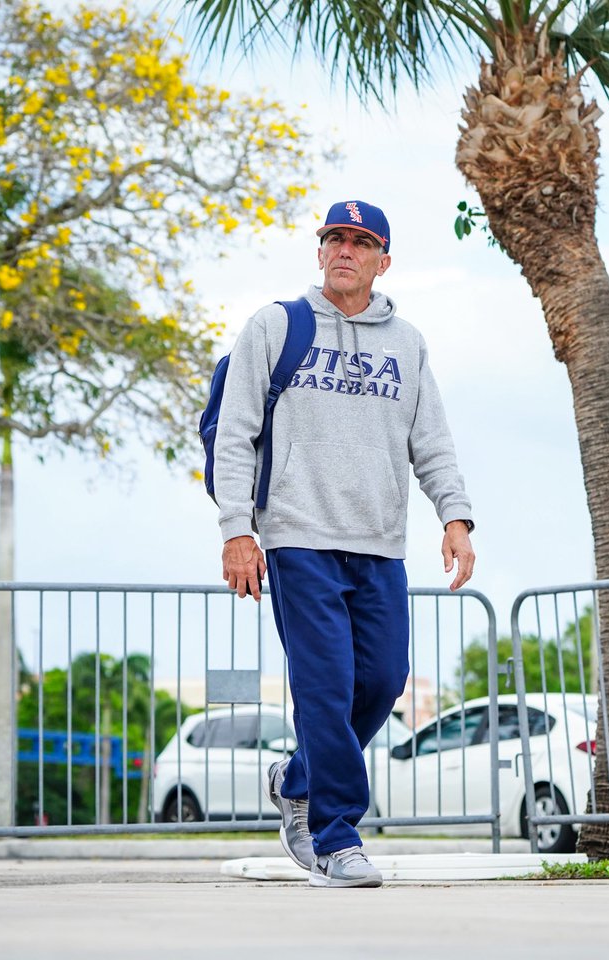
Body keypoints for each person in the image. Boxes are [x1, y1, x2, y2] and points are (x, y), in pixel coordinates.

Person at [214, 200, 475, 888]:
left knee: (384, 680)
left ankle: (297, 779)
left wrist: (455, 517)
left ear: (382, 260)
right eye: (335, 238)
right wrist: (238, 530)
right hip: (298, 537)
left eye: (361, 242)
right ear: (320, 250)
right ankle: (336, 837)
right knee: (325, 688)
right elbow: (235, 433)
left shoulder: (409, 343)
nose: (345, 251)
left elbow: (433, 442)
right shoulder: (275, 327)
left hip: (380, 544)